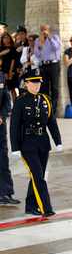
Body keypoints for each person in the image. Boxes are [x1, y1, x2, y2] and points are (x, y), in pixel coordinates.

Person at [10, 69, 62, 216]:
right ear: (26, 84)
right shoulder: (20, 101)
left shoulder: (45, 99)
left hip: (43, 143)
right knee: (38, 176)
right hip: (27, 144)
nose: (37, 85)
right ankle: (46, 208)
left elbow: (52, 122)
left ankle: (30, 206)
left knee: (36, 175)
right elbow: (14, 125)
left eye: (38, 82)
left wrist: (58, 141)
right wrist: (15, 147)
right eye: (33, 82)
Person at [0, 70, 19, 204]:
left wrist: (2, 115)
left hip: (0, 126)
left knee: (3, 160)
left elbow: (7, 98)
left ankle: (5, 193)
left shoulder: (1, 75)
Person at [34, 25, 61, 113]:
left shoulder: (55, 37)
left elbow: (56, 47)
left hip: (53, 64)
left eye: (45, 29)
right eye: (42, 30)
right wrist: (41, 44)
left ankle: (53, 109)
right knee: (44, 87)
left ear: (49, 30)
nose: (44, 31)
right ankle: (46, 107)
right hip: (44, 65)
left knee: (54, 87)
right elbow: (37, 54)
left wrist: (49, 37)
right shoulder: (38, 40)